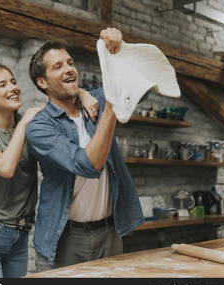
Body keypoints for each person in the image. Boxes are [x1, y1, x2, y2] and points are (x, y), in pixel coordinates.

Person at [0, 63, 99, 278]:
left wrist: (82, 92)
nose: (13, 87)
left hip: (20, 236)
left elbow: (60, 102)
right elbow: (5, 168)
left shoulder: (33, 125)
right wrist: (24, 123)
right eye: (2, 84)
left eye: (13, 81)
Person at [26, 28, 144, 272]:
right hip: (65, 236)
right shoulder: (40, 127)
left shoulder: (97, 101)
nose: (69, 68)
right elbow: (88, 165)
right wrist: (111, 103)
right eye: (57, 66)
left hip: (110, 231)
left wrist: (119, 50)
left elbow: (141, 82)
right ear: (42, 82)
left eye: (70, 62)